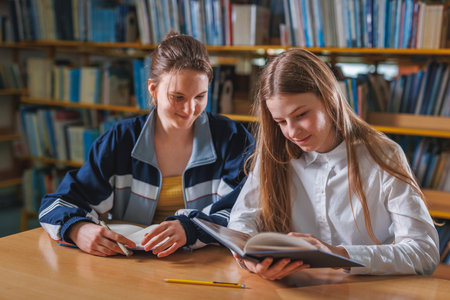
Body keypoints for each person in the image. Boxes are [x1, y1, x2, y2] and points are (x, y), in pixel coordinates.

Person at [228, 49, 439, 280]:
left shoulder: (383, 155)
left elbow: (424, 252)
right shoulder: (273, 154)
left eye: (300, 115)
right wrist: (251, 261)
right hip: (298, 290)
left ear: (329, 98)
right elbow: (241, 221)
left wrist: (338, 254)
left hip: (369, 291)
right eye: (280, 121)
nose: (291, 131)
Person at [39, 33, 254, 257]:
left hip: (206, 266)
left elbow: (247, 212)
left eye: (200, 96)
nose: (190, 110)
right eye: (178, 97)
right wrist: (77, 228)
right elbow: (57, 203)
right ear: (153, 90)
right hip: (130, 267)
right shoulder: (120, 140)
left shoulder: (233, 139)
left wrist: (191, 228)